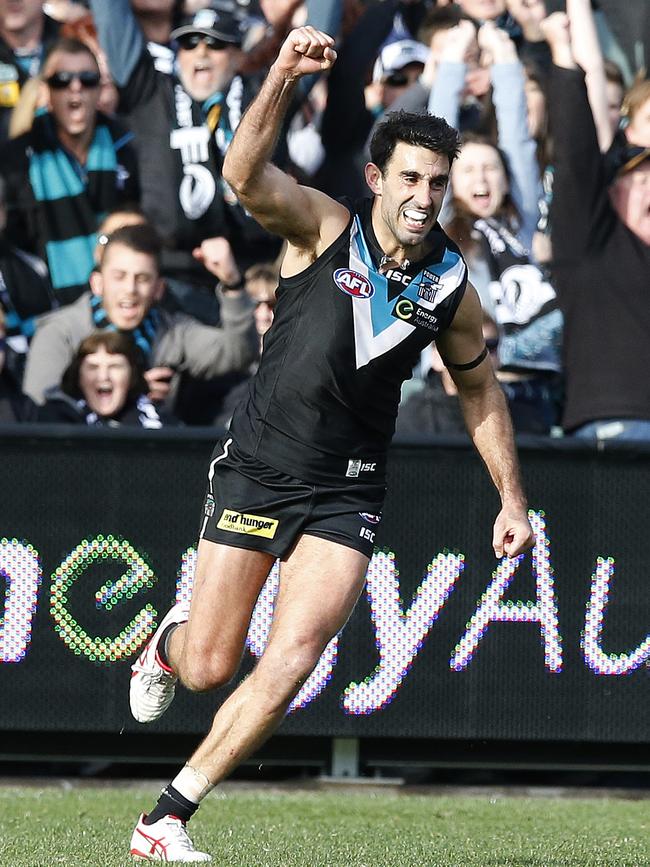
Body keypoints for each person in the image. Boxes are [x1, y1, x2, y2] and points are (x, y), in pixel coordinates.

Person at [126, 26, 535, 863]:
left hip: (348, 487)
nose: (426, 195)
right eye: (411, 178)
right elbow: (242, 174)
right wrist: (278, 73)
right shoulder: (323, 226)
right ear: (379, 178)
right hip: (261, 465)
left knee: (299, 651)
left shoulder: (451, 282)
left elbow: (479, 386)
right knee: (206, 665)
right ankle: (165, 639)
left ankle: (165, 819)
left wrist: (512, 497)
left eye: (439, 180)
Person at [22, 223, 257, 423]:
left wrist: (232, 283)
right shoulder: (61, 331)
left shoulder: (173, 331)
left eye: (142, 279)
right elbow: (39, 406)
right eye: (119, 276)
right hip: (78, 458)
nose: (130, 289)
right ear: (97, 283)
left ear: (158, 289)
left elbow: (239, 352)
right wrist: (129, 391)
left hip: (152, 459)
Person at [541, 12, 650, 440]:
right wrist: (565, 59)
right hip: (615, 428)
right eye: (639, 179)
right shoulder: (590, 241)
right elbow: (576, 152)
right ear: (609, 191)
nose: (648, 191)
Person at [0, 36, 139, 306]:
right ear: (46, 93)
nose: (75, 88)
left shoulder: (127, 145)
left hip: (119, 301)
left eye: (87, 79)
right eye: (61, 80)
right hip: (45, 307)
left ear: (100, 89)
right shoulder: (16, 159)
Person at [37, 329, 179, 426]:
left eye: (114, 367)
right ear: (78, 377)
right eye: (93, 367)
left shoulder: (164, 424)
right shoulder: (52, 421)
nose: (103, 376)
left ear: (132, 377)